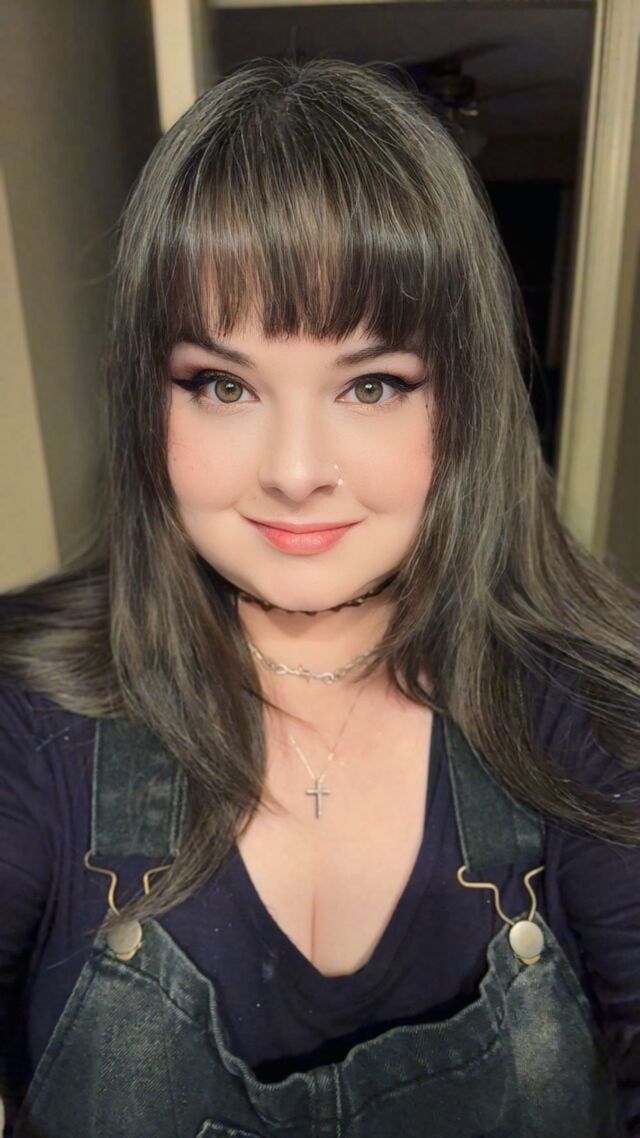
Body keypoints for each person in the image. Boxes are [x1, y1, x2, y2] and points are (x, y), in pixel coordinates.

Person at [0, 55, 639, 1138]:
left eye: (371, 384)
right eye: (224, 385)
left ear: (465, 402)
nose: (296, 471)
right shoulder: (29, 721)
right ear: (149, 400)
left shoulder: (592, 716)